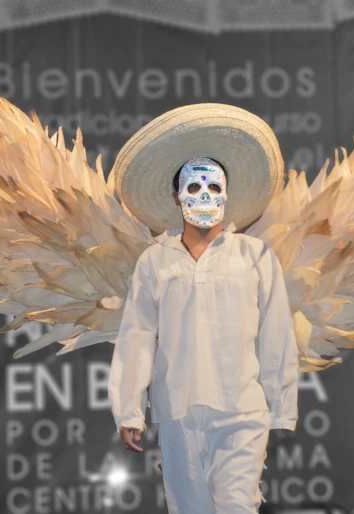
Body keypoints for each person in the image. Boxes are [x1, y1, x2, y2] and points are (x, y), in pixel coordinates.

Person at [108, 155, 299, 512]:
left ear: (226, 195)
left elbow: (276, 332)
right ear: (177, 196)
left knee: (238, 506)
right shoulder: (155, 260)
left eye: (214, 187)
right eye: (194, 187)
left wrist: (280, 404)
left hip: (241, 405)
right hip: (176, 407)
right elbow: (138, 335)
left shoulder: (253, 254)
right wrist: (129, 409)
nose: (205, 196)